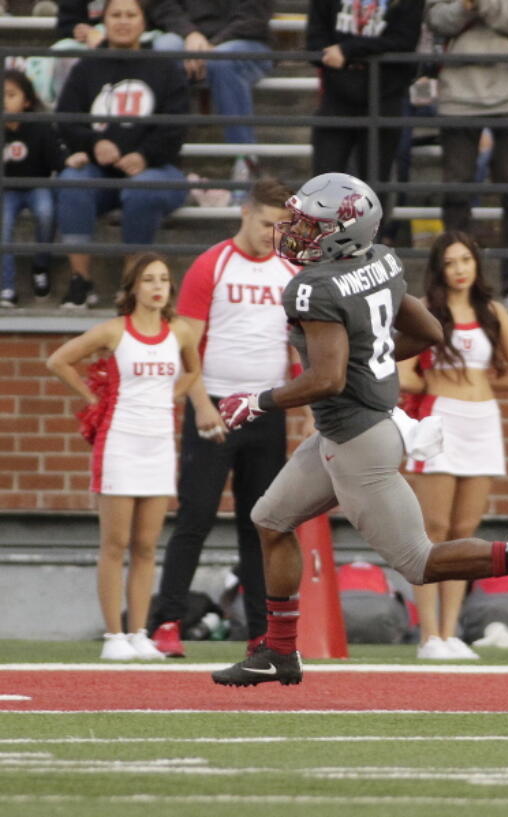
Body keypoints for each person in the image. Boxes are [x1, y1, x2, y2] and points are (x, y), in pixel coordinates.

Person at [208, 173, 508, 686]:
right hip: (354, 431)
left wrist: (259, 401)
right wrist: (371, 358)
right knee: (270, 521)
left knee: (421, 562)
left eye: (312, 224)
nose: (296, 231)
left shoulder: (313, 287)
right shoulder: (380, 260)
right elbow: (428, 332)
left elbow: (328, 379)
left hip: (358, 442)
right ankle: (280, 653)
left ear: (343, 230)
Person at [148, 178, 298, 659]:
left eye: (282, 227)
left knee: (262, 525)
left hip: (265, 411)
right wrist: (201, 406)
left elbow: (301, 347)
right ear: (245, 214)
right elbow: (185, 345)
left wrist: (307, 409)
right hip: (213, 407)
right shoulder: (212, 264)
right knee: (195, 517)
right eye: (266, 223)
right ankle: (167, 621)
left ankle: (260, 632)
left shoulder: (290, 269)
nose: (272, 234)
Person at [45, 253, 200, 660]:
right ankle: (113, 636)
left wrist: (176, 394)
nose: (157, 287)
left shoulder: (180, 331)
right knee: (114, 544)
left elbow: (193, 370)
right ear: (133, 287)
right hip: (119, 444)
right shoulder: (114, 331)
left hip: (159, 445)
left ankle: (138, 633)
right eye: (148, 279)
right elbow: (58, 360)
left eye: (164, 279)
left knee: (147, 546)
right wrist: (92, 397)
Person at [397, 231, 508, 660]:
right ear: (439, 270)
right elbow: (400, 371)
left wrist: (480, 381)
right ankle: (428, 637)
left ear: (476, 265)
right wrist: (436, 384)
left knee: (464, 534)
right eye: (451, 263)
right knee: (431, 531)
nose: (460, 269)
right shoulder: (424, 310)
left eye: (466, 260)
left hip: (483, 426)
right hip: (440, 422)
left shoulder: (492, 312)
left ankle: (450, 631)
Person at [54, 0, 189, 309]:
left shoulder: (165, 68)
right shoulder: (86, 67)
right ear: (105, 21)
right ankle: (80, 282)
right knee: (73, 181)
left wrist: (144, 156)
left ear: (144, 22)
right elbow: (66, 119)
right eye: (116, 15)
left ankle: (132, 286)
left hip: (158, 170)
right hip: (101, 174)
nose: (123, 21)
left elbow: (178, 126)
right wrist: (93, 143)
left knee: (142, 190)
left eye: (131, 14)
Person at [425, 0, 508, 316]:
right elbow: (438, 20)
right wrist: (465, 7)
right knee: (456, 194)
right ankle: (451, 288)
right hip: (458, 97)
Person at [307, 0, 423, 222]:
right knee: (324, 183)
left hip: (385, 95)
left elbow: (404, 41)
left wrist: (348, 50)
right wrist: (345, 57)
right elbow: (315, 43)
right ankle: (324, 251)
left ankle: (368, 252)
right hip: (337, 95)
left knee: (373, 188)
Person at [147, 0, 274, 183]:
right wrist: (190, 34)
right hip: (184, 37)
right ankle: (163, 161)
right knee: (164, 51)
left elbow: (253, 17)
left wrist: (210, 47)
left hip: (244, 40)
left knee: (222, 61)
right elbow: (162, 5)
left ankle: (245, 162)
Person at [2, 69, 68, 307]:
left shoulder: (40, 127)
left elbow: (56, 159)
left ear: (27, 100)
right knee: (3, 224)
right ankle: (6, 286)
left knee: (46, 212)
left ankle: (41, 265)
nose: (4, 100)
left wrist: (69, 161)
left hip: (37, 185)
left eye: (10, 94)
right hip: (6, 190)